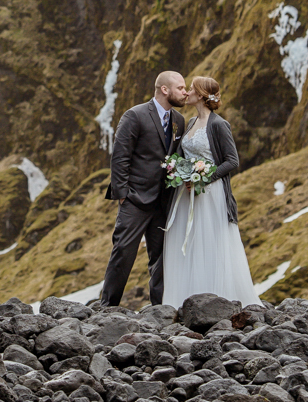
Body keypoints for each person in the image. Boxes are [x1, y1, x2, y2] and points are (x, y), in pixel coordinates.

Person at [161, 74, 261, 306]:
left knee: (210, 242)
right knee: (189, 244)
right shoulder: (191, 122)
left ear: (201, 95)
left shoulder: (219, 125)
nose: (187, 93)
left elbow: (232, 161)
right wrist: (180, 171)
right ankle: (186, 299)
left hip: (210, 194)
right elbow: (183, 155)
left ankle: (217, 298)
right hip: (186, 193)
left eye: (191, 89)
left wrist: (204, 178)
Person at [100, 70, 189, 307]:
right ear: (164, 90)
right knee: (123, 252)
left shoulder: (179, 121)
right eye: (181, 88)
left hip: (164, 201)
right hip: (135, 200)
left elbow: (175, 157)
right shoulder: (135, 115)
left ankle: (159, 309)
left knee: (161, 258)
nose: (185, 92)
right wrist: (123, 196)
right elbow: (120, 157)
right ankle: (107, 306)